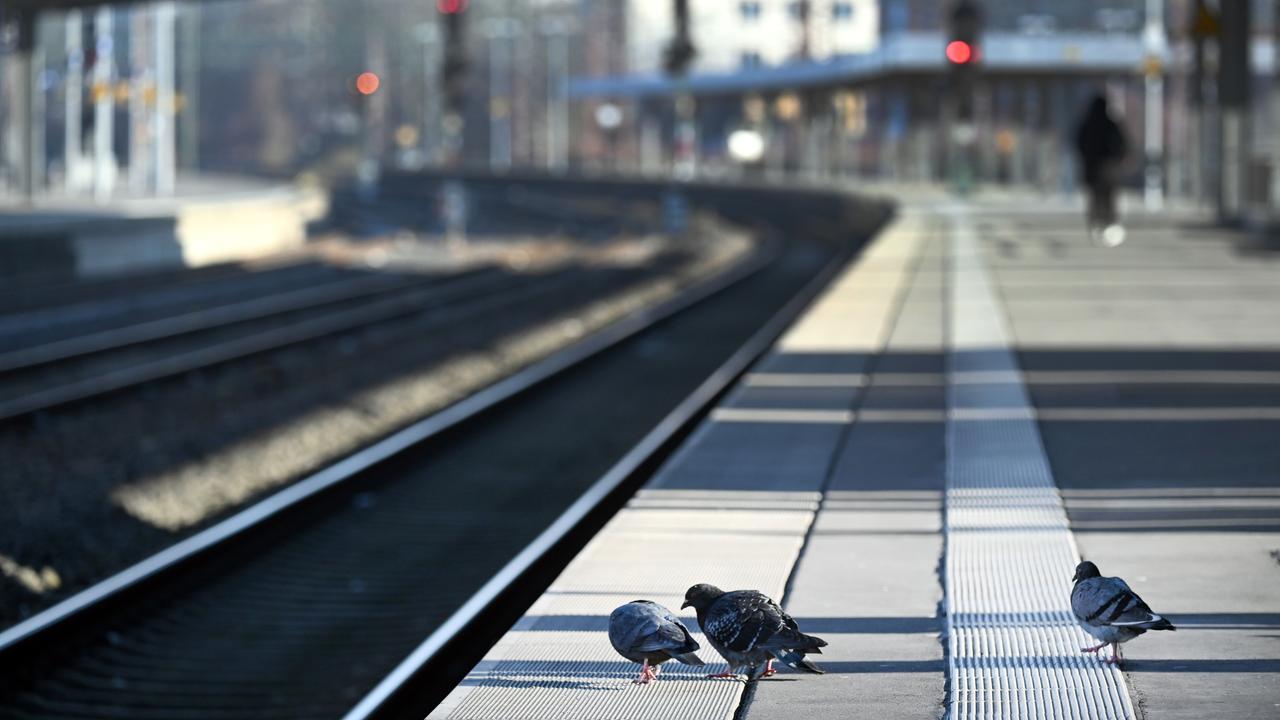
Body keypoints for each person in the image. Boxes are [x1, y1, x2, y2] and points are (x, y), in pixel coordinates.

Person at [1075, 94, 1128, 246]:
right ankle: (1110, 226)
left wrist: (1088, 158)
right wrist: (1118, 158)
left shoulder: (1087, 124)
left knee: (1095, 199)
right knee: (1110, 199)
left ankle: (1096, 226)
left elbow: (1079, 144)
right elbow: (1122, 145)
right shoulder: (1112, 124)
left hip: (1092, 169)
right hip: (1109, 169)